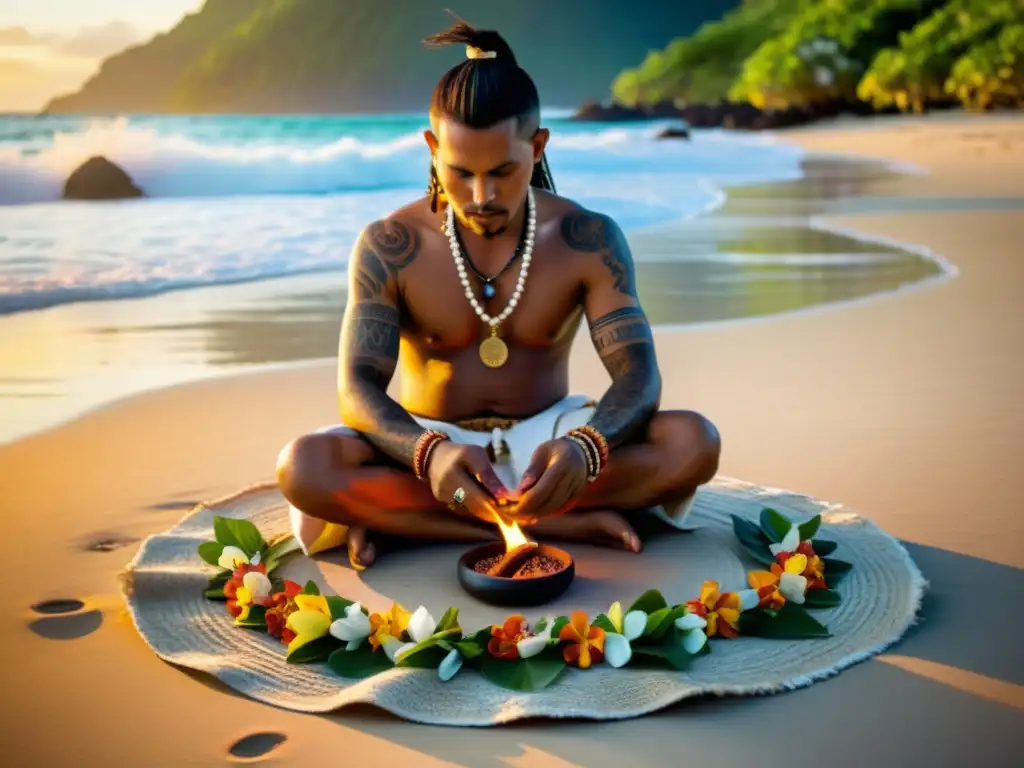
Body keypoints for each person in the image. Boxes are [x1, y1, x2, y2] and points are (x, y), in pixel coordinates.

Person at [275, 19, 721, 570]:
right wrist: (427, 454)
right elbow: (356, 388)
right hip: (426, 450)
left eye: (503, 172)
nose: (481, 196)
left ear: (537, 148)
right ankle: (558, 522)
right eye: (461, 173)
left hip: (551, 444)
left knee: (693, 441)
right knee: (304, 467)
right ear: (433, 148)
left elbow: (638, 375)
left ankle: (414, 523)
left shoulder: (587, 239)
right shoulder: (391, 245)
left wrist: (586, 448)